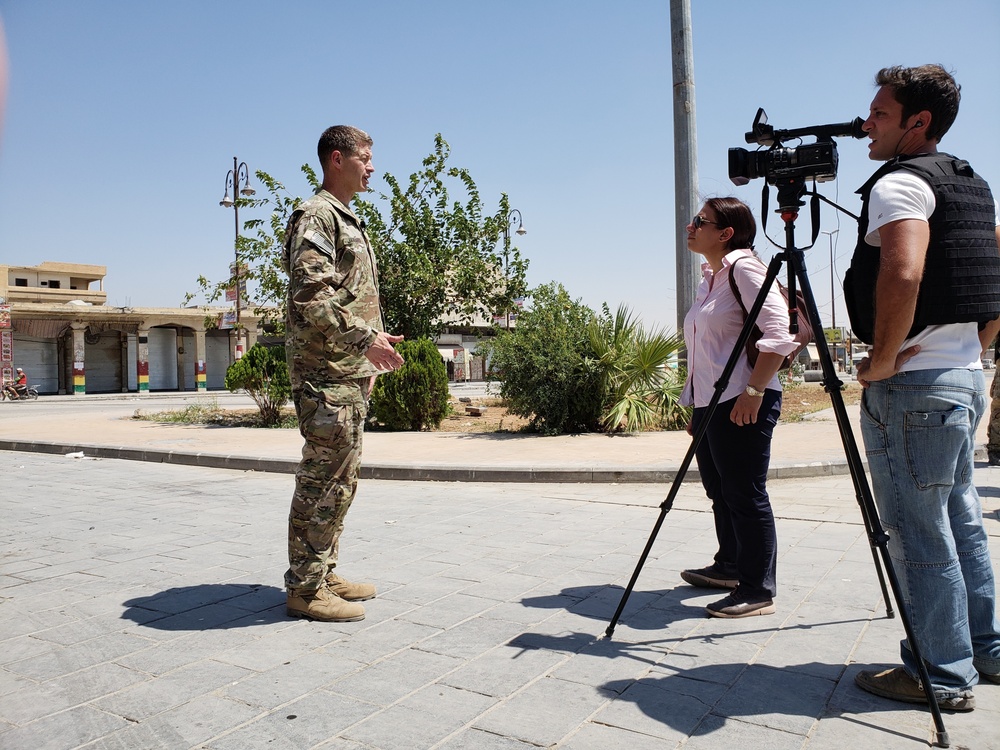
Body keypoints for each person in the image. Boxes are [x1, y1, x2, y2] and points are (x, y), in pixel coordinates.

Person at [846, 65, 1000, 712]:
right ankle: (984, 649)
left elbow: (903, 271)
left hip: (915, 389)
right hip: (964, 378)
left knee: (917, 532)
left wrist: (883, 360)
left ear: (919, 123)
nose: (867, 123)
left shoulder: (902, 183)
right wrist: (979, 348)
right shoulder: (972, 183)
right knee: (960, 521)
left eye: (880, 113)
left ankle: (940, 675)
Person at [281, 125, 404, 622]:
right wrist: (364, 339)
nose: (372, 166)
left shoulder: (344, 217)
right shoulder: (316, 215)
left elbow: (346, 294)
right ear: (338, 158)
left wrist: (369, 345)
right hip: (324, 372)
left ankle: (323, 571)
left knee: (341, 479)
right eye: (366, 157)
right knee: (322, 479)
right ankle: (304, 589)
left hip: (345, 371)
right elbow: (310, 296)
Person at [679, 197, 798, 618]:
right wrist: (694, 405)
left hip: (743, 398)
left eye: (700, 221)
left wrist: (754, 391)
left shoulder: (745, 268)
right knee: (720, 490)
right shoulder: (710, 278)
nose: (691, 226)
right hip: (711, 401)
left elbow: (779, 333)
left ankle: (757, 588)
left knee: (745, 494)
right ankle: (730, 566)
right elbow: (706, 351)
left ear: (726, 233)